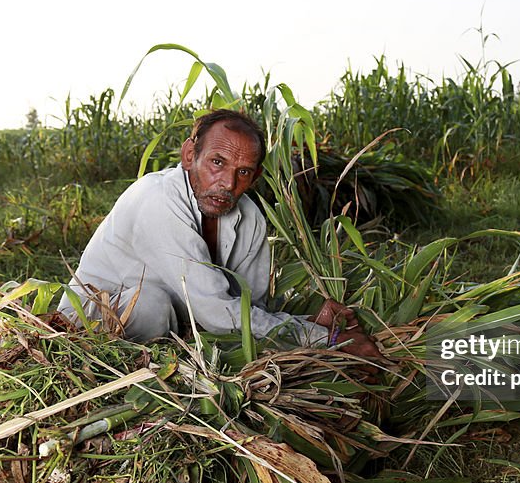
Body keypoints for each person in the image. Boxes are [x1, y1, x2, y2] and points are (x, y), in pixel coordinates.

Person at [57, 109, 380, 357]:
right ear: (189, 156)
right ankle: (149, 373)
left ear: (255, 177)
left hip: (185, 320)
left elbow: (248, 307)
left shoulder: (249, 217)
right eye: (216, 162)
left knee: (209, 325)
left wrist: (312, 318)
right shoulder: (156, 198)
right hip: (91, 322)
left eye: (242, 172)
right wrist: (326, 339)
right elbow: (215, 313)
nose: (227, 183)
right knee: (150, 303)